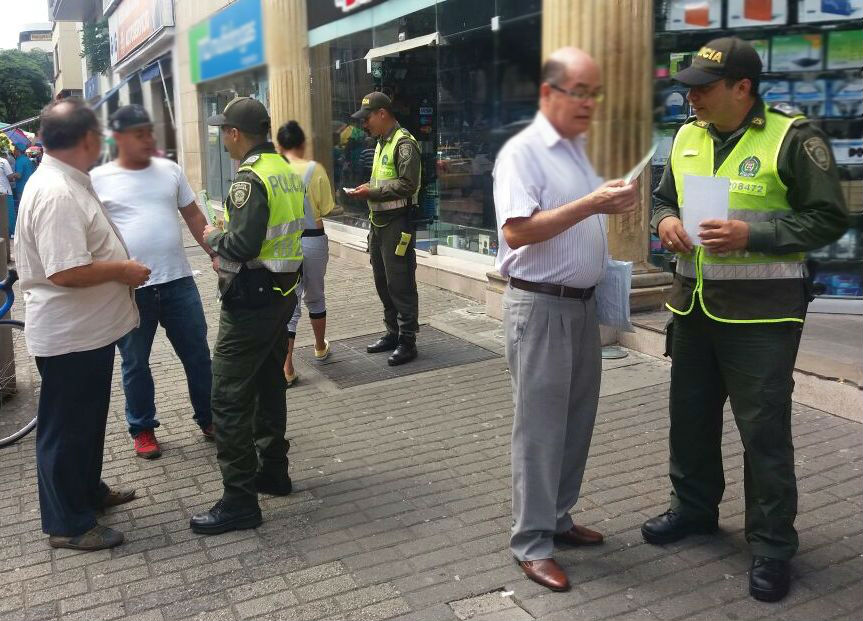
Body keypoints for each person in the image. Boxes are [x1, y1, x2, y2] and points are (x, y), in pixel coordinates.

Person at [642, 37, 849, 603]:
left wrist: (753, 234)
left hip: (763, 316)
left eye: (704, 89)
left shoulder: (792, 136)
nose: (693, 99)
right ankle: (693, 510)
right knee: (689, 420)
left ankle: (773, 545)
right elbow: (662, 200)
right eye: (688, 89)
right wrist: (663, 225)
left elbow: (829, 219)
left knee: (763, 434)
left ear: (743, 88)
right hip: (693, 306)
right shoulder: (686, 135)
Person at [493, 47, 639, 592]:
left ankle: (558, 519)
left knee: (577, 421)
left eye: (594, 93)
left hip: (579, 308)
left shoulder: (577, 154)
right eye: (580, 91)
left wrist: (607, 205)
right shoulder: (523, 154)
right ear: (549, 94)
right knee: (539, 431)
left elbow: (579, 219)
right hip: (540, 306)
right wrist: (592, 205)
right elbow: (518, 231)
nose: (590, 103)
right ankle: (531, 543)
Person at [15, 99, 149, 550]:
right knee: (66, 428)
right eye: (100, 136)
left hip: (88, 332)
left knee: (86, 423)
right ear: (88, 139)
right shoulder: (56, 192)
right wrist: (123, 270)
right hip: (69, 335)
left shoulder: (69, 181)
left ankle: (88, 493)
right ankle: (68, 524)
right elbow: (64, 271)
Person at [189, 97, 305, 535]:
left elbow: (241, 245)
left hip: (252, 299)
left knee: (228, 397)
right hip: (283, 293)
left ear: (236, 134)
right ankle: (274, 471)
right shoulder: (285, 171)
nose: (222, 139)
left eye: (224, 132)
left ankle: (239, 501)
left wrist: (213, 233)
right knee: (269, 382)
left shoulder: (250, 178)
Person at [91, 105, 215, 459]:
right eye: (139, 134)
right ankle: (142, 428)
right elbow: (92, 232)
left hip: (178, 282)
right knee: (135, 363)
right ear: (118, 138)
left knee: (198, 355)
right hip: (130, 290)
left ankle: (209, 418)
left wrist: (213, 252)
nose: (149, 139)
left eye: (150, 132)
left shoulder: (170, 170)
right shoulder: (98, 178)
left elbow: (192, 213)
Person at [346, 92, 421, 366]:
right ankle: (392, 332)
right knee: (382, 281)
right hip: (378, 224)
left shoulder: (404, 144)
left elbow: (407, 184)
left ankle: (407, 340)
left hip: (397, 223)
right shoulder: (381, 143)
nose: (365, 124)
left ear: (382, 114)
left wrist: (373, 191)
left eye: (367, 119)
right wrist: (367, 190)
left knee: (400, 282)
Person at [275, 120, 334, 385]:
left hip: (286, 242)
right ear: (302, 144)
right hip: (313, 239)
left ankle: (287, 367)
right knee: (316, 294)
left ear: (279, 145)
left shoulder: (274, 171)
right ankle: (320, 347)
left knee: (291, 301)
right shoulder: (315, 169)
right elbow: (326, 207)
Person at [11, 144, 35, 235]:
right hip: (30, 186)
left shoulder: (19, 161)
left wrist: (10, 175)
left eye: (14, 148)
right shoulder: (28, 160)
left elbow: (19, 175)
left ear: (18, 150)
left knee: (23, 208)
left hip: (21, 187)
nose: (13, 150)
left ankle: (25, 230)